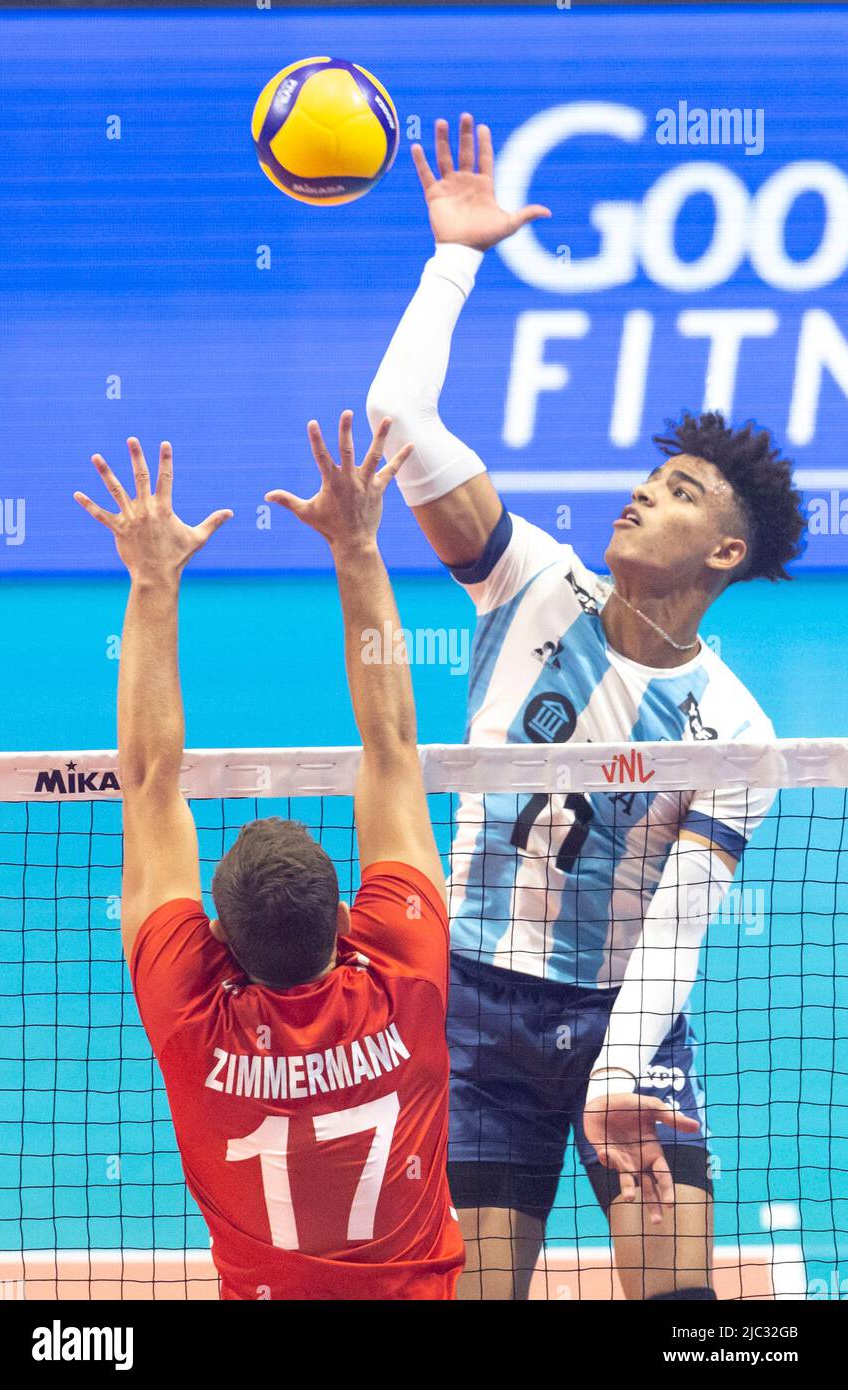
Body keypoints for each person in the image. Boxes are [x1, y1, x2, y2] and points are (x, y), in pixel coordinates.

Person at [365, 113, 806, 1301]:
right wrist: (454, 255)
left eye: (671, 493)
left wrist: (619, 1073)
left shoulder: (734, 734)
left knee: (687, 1320)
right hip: (475, 1006)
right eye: (645, 475)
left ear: (720, 550)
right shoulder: (524, 586)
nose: (635, 496)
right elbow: (398, 420)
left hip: (625, 1010)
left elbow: (676, 930)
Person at [73, 413, 465, 1300]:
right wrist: (358, 547)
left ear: (216, 936)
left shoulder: (188, 1012)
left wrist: (152, 581)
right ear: (344, 920)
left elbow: (147, 780)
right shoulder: (406, 974)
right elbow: (394, 746)